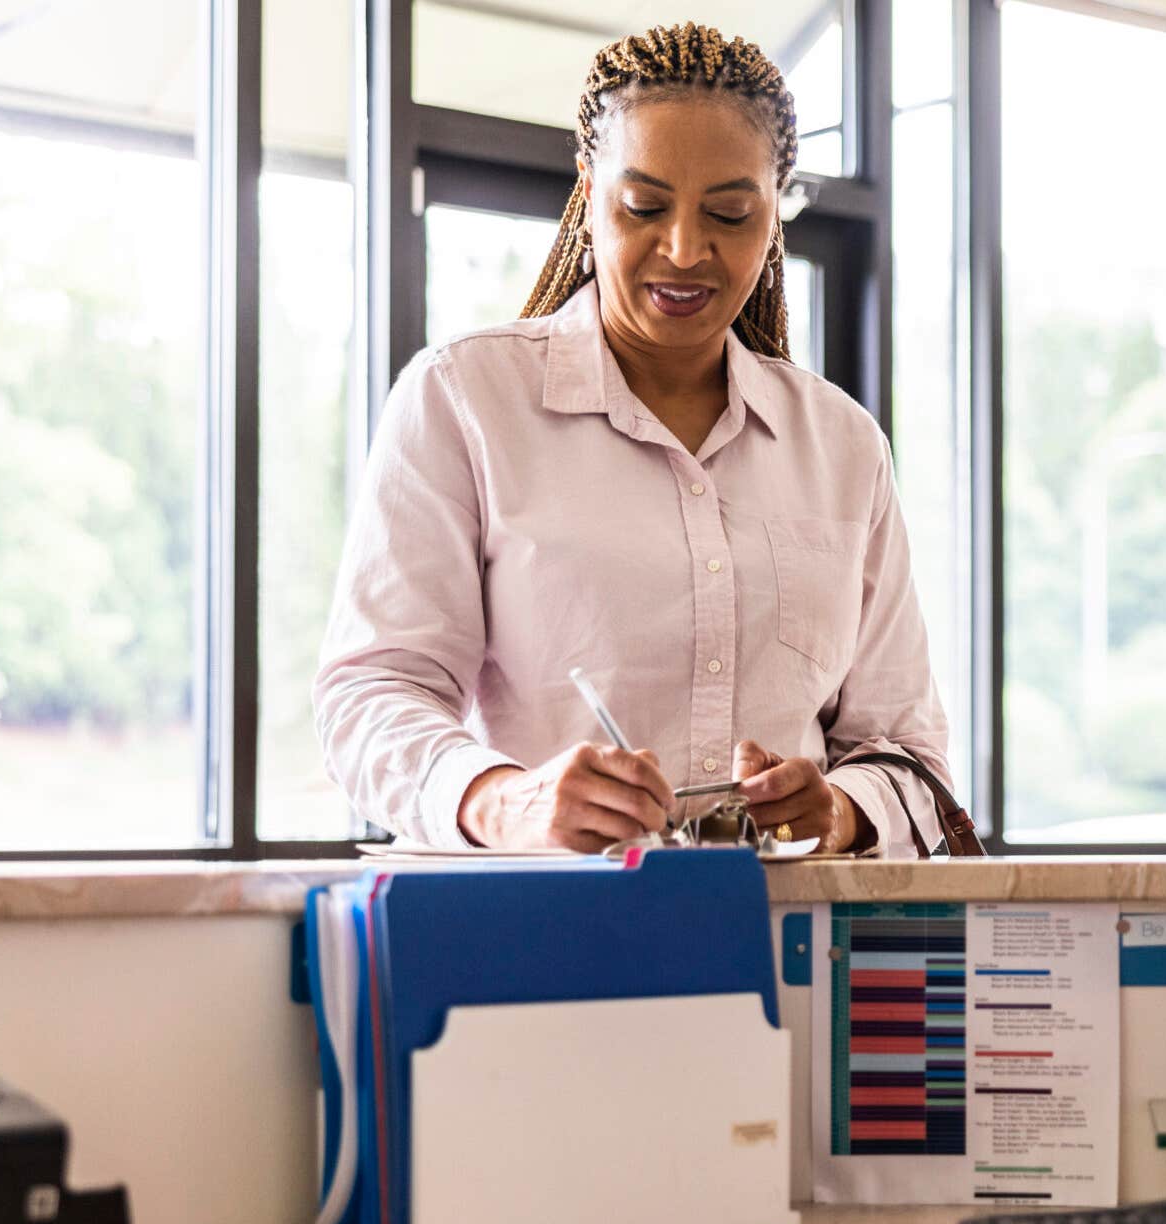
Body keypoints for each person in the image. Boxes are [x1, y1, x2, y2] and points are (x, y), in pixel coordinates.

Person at [316, 23, 952, 856]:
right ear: (589, 189)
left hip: (787, 952)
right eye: (643, 206)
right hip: (540, 937)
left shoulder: (842, 447)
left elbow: (908, 749)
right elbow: (370, 693)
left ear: (776, 209)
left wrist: (838, 810)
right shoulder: (464, 401)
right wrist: (505, 801)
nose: (685, 250)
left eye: (730, 212)